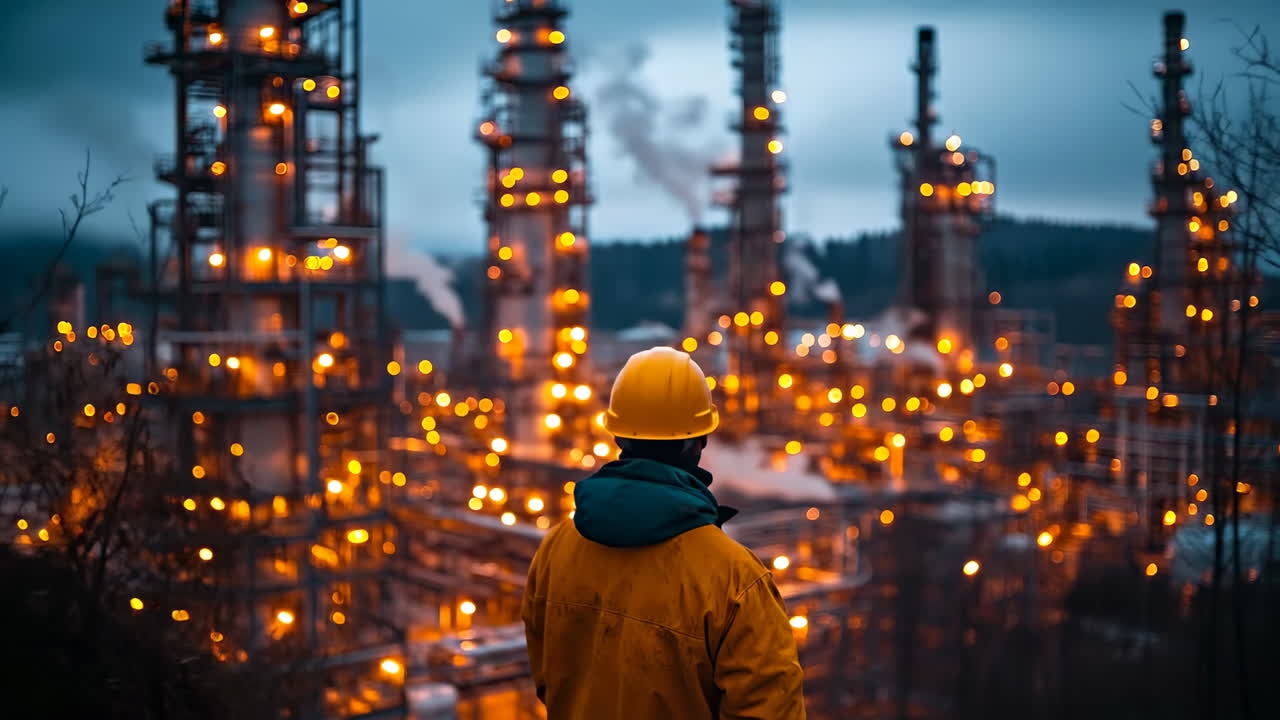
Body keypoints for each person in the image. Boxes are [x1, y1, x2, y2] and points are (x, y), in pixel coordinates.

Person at [522, 346, 806, 719]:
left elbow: (549, 681)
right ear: (699, 442)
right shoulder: (734, 578)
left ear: (619, 436)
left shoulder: (556, 549)